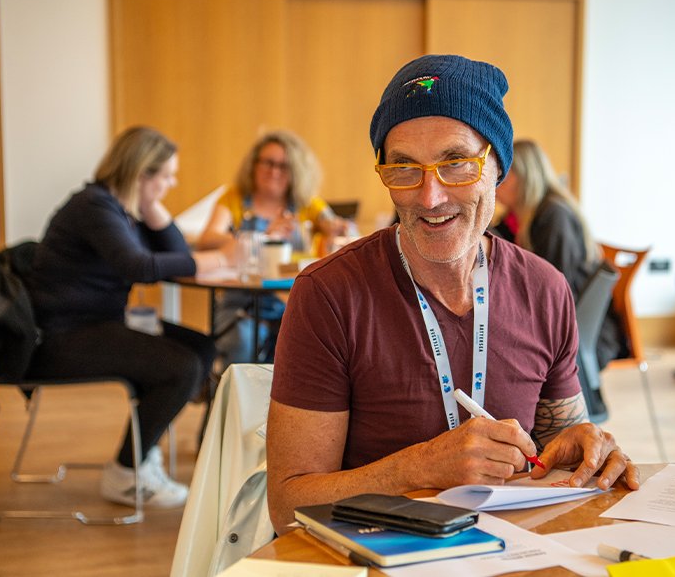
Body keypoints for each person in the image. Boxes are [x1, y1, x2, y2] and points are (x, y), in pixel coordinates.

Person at [266, 54, 640, 534]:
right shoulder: (329, 295)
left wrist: (583, 445)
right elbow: (286, 505)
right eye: (403, 168)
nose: (429, 196)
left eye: (456, 163)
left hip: (511, 553)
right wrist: (418, 468)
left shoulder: (544, 288)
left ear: (497, 167)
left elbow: (553, 448)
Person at [27, 126, 237, 508]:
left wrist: (155, 209)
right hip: (60, 336)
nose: (172, 183)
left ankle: (143, 451)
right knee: (182, 367)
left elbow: (171, 254)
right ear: (141, 172)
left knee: (202, 347)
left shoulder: (124, 208)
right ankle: (125, 474)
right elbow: (139, 265)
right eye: (166, 176)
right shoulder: (93, 206)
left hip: (100, 323)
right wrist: (217, 258)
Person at [196, 130, 348, 363]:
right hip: (241, 305)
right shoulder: (234, 198)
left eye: (283, 166)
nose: (274, 171)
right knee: (244, 342)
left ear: (295, 171)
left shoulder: (305, 203)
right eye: (268, 162)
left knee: (310, 344)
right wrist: (260, 237)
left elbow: (332, 224)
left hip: (288, 302)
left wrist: (334, 228)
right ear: (254, 165)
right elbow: (207, 239)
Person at [494, 138, 628, 369]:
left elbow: (553, 289)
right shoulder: (518, 218)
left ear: (525, 177)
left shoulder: (554, 217)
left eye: (502, 174)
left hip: (580, 331)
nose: (495, 182)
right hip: (561, 322)